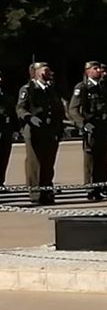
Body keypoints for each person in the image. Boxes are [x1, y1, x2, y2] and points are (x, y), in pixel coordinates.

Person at [69, 61, 107, 202]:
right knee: (91, 161)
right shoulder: (83, 88)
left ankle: (102, 186)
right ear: (87, 71)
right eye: (95, 68)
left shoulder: (102, 87)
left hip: (105, 128)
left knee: (103, 160)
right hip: (92, 128)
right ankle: (91, 189)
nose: (99, 71)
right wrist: (83, 124)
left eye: (99, 68)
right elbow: (73, 109)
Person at [16, 63, 66, 205]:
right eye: (45, 70)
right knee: (35, 163)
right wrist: (30, 118)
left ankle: (47, 192)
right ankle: (36, 193)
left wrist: (59, 128)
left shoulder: (51, 89)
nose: (49, 72)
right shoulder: (28, 89)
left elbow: (58, 110)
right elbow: (20, 108)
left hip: (50, 131)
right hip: (34, 131)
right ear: (37, 72)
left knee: (48, 163)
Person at [0, 73, 14, 188]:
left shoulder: (5, 94)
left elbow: (11, 112)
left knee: (4, 157)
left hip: (5, 131)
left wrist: (15, 129)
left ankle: (1, 182)